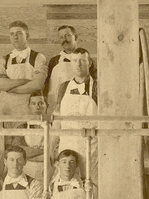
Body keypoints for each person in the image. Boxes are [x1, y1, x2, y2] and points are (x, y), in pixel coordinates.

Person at [51, 47, 99, 181]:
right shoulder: (64, 87)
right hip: (67, 148)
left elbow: (107, 121)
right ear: (70, 63)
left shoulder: (98, 87)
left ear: (89, 63)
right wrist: (50, 148)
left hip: (91, 148)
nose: (78, 64)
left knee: (92, 187)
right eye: (75, 60)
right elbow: (57, 121)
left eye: (82, 61)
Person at [0, 20, 47, 116]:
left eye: (19, 33)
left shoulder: (38, 57)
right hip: (6, 110)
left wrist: (10, 89)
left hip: (28, 110)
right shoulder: (4, 59)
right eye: (12, 34)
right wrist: (24, 81)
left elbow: (37, 85)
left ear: (27, 36)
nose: (15, 37)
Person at [45, 25, 96, 112]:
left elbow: (94, 83)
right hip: (57, 105)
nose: (64, 40)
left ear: (75, 37)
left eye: (67, 36)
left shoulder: (87, 59)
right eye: (61, 37)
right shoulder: (54, 61)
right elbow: (47, 85)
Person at [16, 91, 51, 182]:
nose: (37, 107)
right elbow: (18, 151)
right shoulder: (22, 127)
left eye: (41, 103)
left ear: (47, 105)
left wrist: (29, 155)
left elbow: (56, 153)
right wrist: (46, 152)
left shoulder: (55, 127)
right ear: (29, 107)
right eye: (34, 104)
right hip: (27, 173)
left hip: (50, 172)